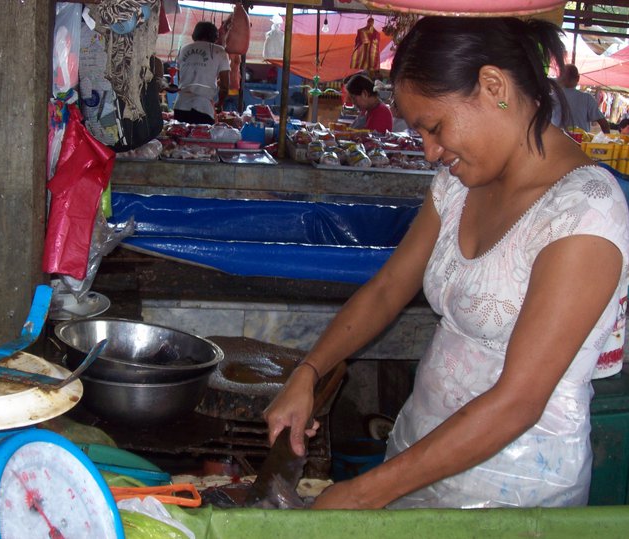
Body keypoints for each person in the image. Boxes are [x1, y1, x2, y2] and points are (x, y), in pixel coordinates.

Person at [264, 16, 629, 510]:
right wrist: (309, 371)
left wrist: (363, 493)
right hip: (417, 452)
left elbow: (518, 401)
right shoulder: (459, 185)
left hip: (515, 491)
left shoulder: (585, 210)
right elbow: (390, 286)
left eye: (434, 127)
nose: (431, 151)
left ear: (493, 86)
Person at [173, 21, 230, 125]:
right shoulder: (220, 51)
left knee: (180, 140)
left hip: (180, 106)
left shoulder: (183, 49)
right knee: (201, 140)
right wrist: (219, 104)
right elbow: (225, 86)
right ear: (215, 36)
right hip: (203, 108)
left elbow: (181, 78)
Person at [551, 64, 611, 134]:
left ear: (560, 78)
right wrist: (607, 140)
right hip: (580, 142)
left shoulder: (551, 98)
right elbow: (604, 125)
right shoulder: (587, 99)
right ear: (578, 78)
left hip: (556, 141)